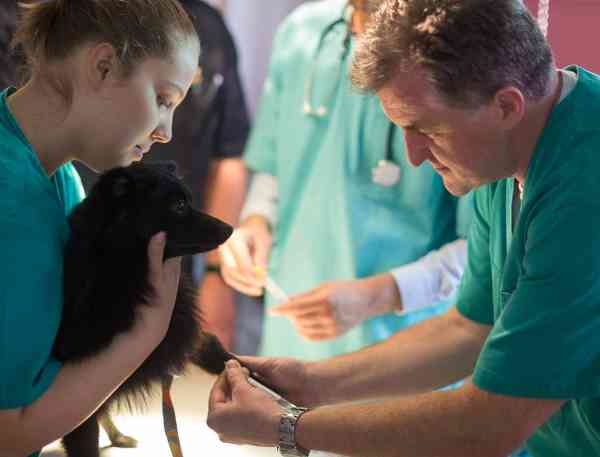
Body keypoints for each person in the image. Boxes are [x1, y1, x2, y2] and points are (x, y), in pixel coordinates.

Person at [207, 1, 600, 456]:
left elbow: (490, 424)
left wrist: (289, 427)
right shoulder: (505, 156)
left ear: (506, 106)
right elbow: (468, 330)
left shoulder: (583, 184)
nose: (414, 155)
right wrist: (309, 382)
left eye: (426, 129)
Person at [219, 0, 471, 361]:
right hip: (291, 346)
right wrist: (256, 222)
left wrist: (378, 295)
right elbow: (276, 164)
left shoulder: (458, 47)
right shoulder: (302, 32)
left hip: (404, 358)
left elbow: (483, 249)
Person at [0, 1, 199, 456]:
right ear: (104, 66)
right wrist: (146, 332)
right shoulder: (10, 201)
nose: (166, 130)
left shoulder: (61, 180)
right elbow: (7, 432)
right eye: (163, 99)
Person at [74, 0, 251, 353]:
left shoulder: (209, 28)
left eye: (171, 101)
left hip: (174, 257)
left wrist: (216, 276)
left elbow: (229, 152)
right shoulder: (80, 20)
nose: (162, 133)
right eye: (161, 98)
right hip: (88, 254)